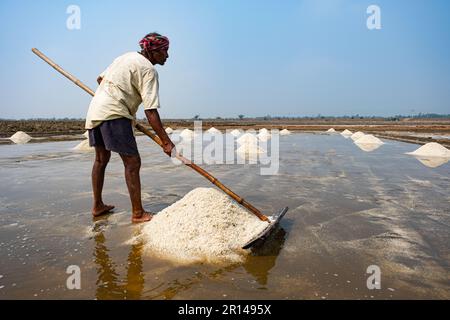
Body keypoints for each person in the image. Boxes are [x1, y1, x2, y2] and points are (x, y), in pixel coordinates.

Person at [85, 32, 175, 223]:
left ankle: (97, 206)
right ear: (154, 51)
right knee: (132, 163)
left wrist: (120, 94)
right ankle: (138, 213)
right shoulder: (148, 70)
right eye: (165, 51)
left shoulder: (125, 57)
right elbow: (151, 112)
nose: (167, 56)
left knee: (101, 159)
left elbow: (100, 80)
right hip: (115, 114)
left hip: (95, 110)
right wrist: (166, 142)